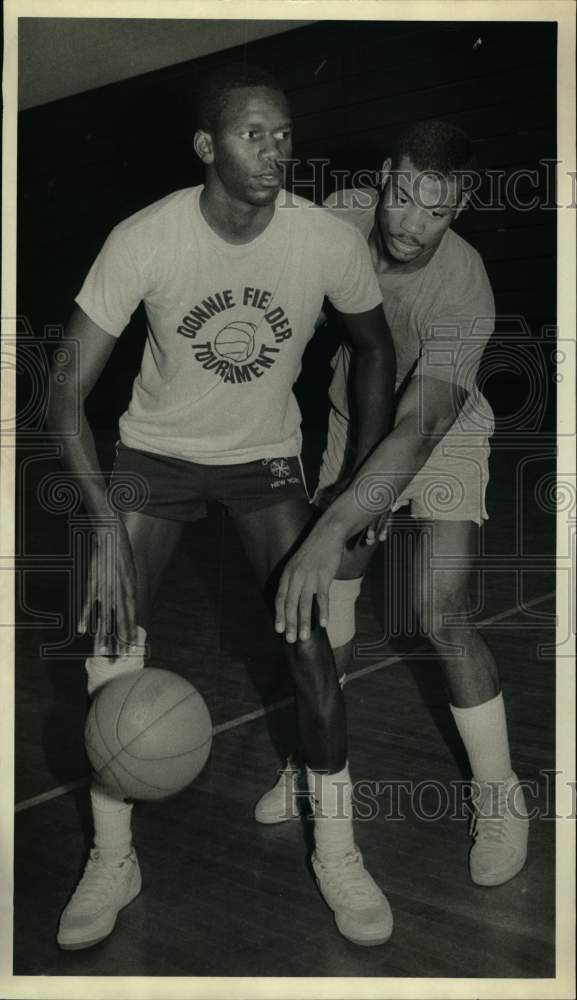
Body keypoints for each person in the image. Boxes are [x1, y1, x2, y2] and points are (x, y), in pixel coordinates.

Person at [47, 65, 397, 951]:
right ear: (207, 146)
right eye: (252, 135)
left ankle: (338, 849)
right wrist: (104, 532)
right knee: (109, 638)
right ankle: (113, 858)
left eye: (283, 135)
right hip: (153, 457)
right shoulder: (147, 238)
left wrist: (356, 493)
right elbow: (63, 395)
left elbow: (375, 348)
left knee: (312, 645)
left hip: (264, 461)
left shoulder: (322, 241)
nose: (274, 151)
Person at [260, 120, 529, 888]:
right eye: (402, 196)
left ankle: (499, 793)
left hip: (439, 436)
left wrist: (335, 523)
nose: (410, 223)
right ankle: (312, 763)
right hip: (352, 424)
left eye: (434, 209)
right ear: (383, 176)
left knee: (437, 610)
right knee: (329, 618)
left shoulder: (465, 283)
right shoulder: (338, 218)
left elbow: (419, 425)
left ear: (461, 206)